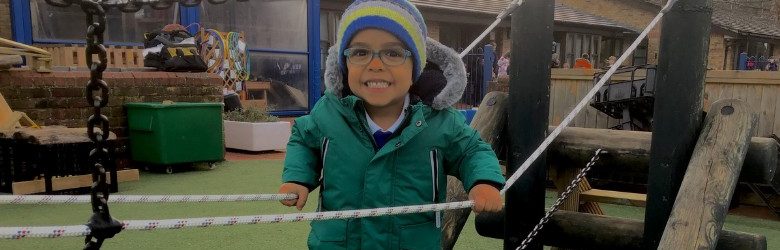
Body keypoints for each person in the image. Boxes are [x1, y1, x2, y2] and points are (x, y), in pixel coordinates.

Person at [277, 1, 505, 249]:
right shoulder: (329, 113)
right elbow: (303, 138)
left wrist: (483, 181)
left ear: (415, 68)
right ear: (343, 63)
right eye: (360, 52)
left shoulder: (439, 121)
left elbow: (472, 151)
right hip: (339, 242)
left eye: (394, 53)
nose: (375, 64)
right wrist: (298, 178)